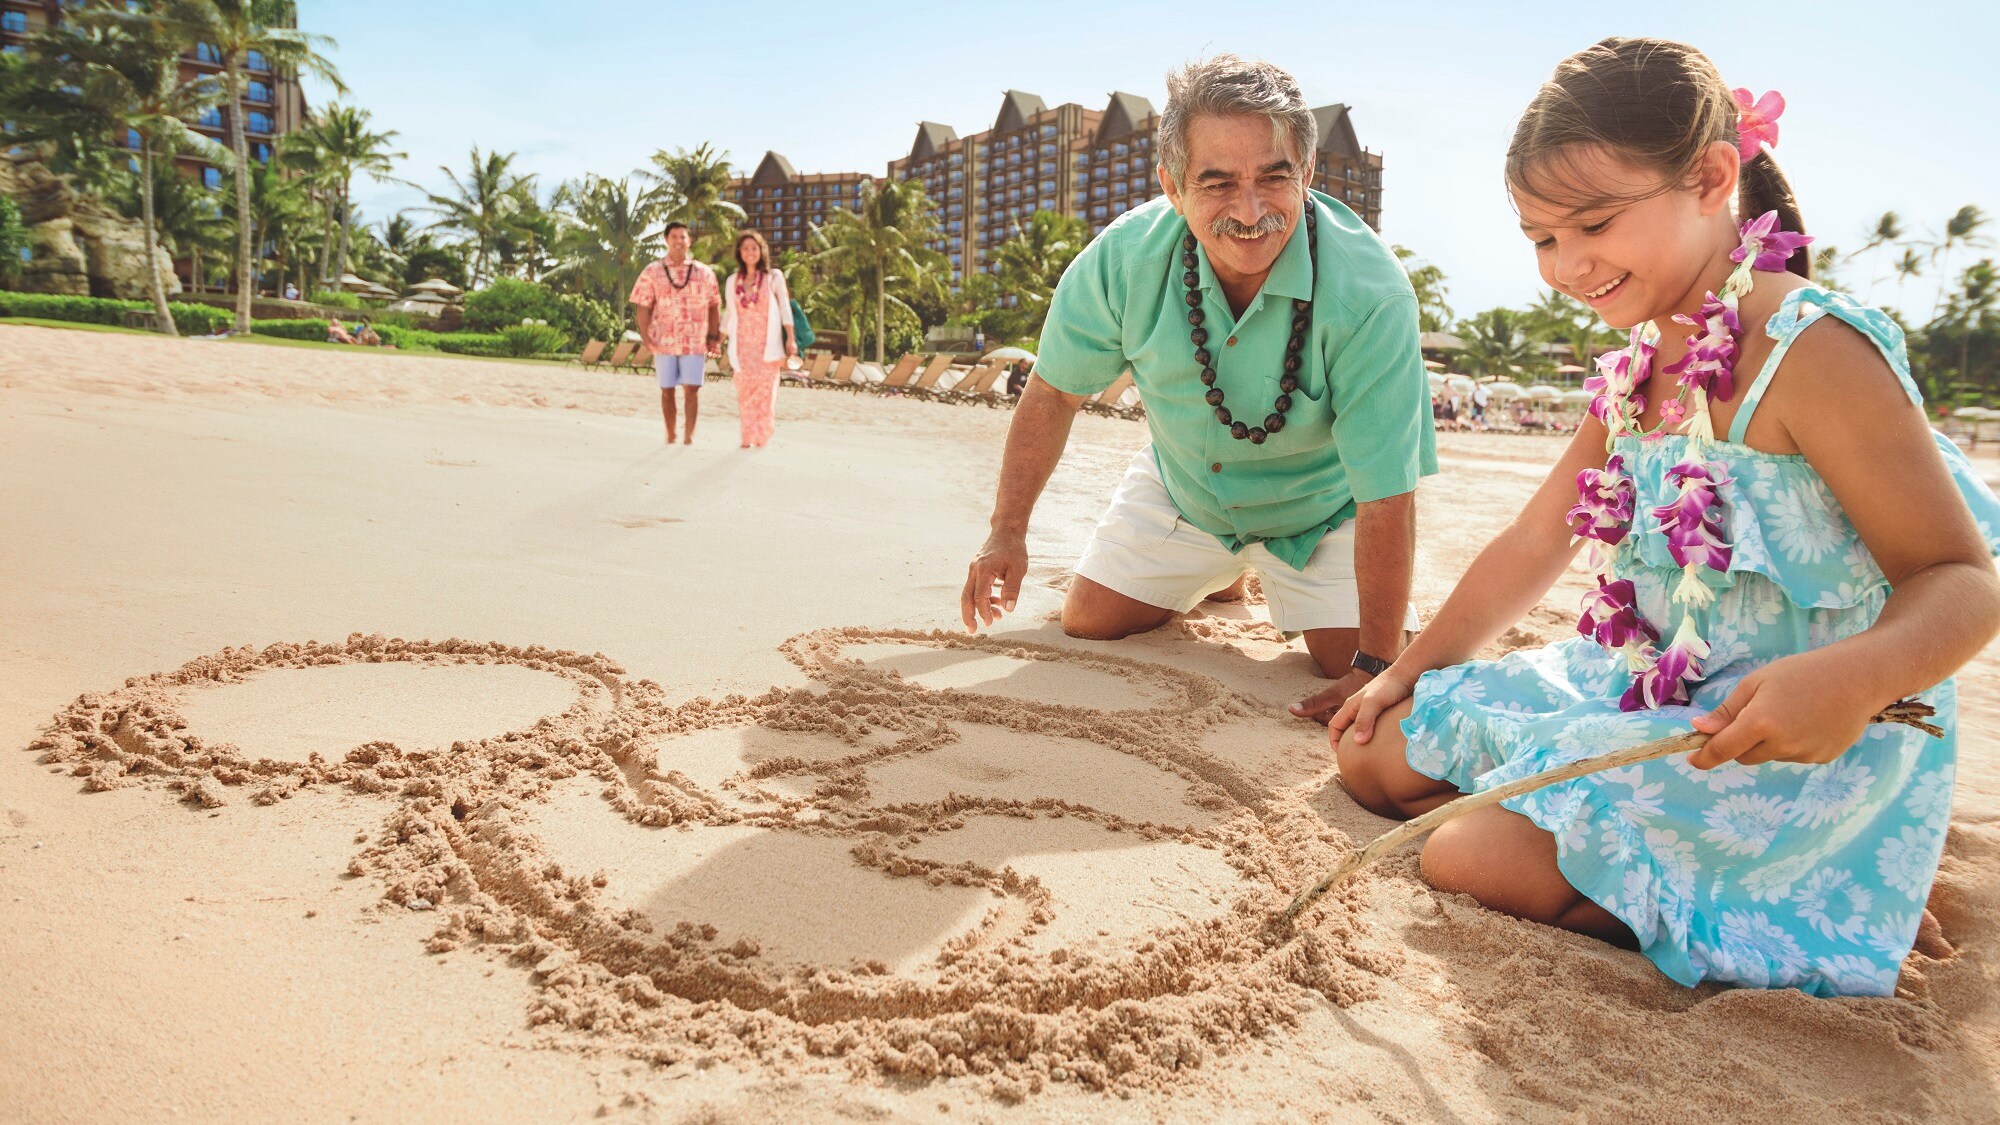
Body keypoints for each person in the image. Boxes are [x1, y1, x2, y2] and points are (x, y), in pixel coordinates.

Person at [1331, 37, 2000, 997]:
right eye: (1541, 238)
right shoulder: (1638, 360)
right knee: (1373, 752)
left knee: (1467, 858)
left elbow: (1964, 582)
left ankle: (1814, 868)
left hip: (1789, 727)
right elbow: (1534, 541)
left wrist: (1849, 680)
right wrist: (1404, 667)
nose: (1566, 265)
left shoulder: (1808, 348)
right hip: (1645, 682)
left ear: (1712, 177)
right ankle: (1615, 820)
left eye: (1593, 223)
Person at [960, 54, 1433, 721]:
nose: (1250, 209)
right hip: (1187, 485)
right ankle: (1222, 571)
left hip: (1324, 507)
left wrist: (1378, 667)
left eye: (1275, 176)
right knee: (1088, 618)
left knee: (1352, 658)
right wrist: (1005, 532)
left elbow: (1387, 491)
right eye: (1217, 183)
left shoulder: (1372, 293)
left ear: (1307, 173)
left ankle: (1272, 578)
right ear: (1174, 187)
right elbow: (1053, 393)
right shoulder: (1124, 258)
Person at [629, 222, 721, 445]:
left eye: (683, 236)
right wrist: (645, 335)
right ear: (666, 240)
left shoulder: (704, 272)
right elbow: (642, 305)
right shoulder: (652, 271)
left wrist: (713, 336)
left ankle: (689, 436)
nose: (679, 240)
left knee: (692, 389)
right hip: (664, 340)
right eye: (674, 236)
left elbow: (714, 304)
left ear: (689, 241)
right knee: (667, 389)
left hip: (694, 340)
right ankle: (671, 434)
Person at [720, 229, 798, 449]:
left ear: (761, 251)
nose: (750, 252)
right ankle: (746, 437)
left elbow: (785, 308)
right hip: (742, 345)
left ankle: (762, 435)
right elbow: (728, 313)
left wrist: (790, 338)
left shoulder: (774, 277)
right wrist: (718, 339)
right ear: (739, 253)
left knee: (765, 393)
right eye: (745, 248)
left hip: (768, 346)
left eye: (754, 248)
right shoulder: (732, 281)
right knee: (745, 391)